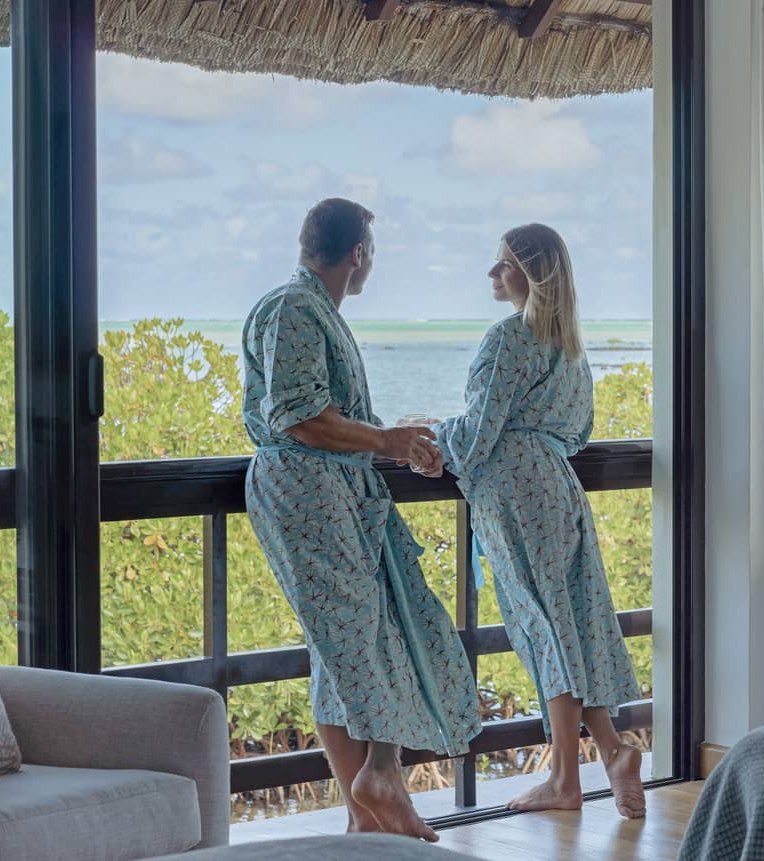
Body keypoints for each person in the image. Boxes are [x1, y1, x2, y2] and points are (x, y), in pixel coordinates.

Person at [242, 198, 481, 841]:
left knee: (346, 642)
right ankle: (381, 777)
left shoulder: (314, 311)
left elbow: (325, 414)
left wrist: (398, 442)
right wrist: (386, 441)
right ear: (358, 254)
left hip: (336, 491)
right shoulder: (294, 308)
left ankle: (363, 818)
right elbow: (297, 416)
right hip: (306, 493)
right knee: (354, 637)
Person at [422, 223, 646, 818]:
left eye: (503, 264)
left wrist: (425, 436)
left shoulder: (508, 339)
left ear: (533, 274)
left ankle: (566, 780)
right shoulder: (568, 346)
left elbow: (475, 437)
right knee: (567, 621)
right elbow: (578, 433)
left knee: (542, 625)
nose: (493, 275)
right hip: (558, 486)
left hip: (514, 491)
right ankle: (612, 750)